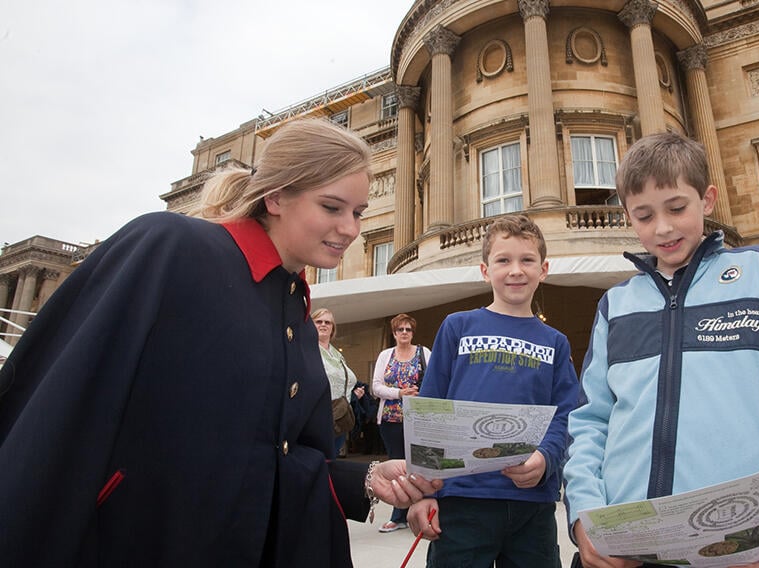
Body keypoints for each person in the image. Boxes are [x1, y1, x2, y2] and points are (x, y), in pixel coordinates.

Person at [0, 118, 441, 567]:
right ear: (276, 197)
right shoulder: (170, 246)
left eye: (359, 212)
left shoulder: (298, 312)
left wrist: (366, 477)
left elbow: (280, 455)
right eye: (332, 207)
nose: (350, 228)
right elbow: (53, 411)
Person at [563, 132, 759, 568]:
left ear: (707, 199)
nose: (663, 227)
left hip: (748, 546)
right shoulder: (616, 305)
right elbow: (589, 423)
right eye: (644, 215)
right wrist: (584, 519)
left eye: (677, 208)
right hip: (629, 550)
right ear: (627, 216)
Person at [406, 214, 580, 567]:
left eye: (527, 260)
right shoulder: (458, 327)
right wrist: (420, 493)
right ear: (485, 270)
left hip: (532, 502)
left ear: (543, 269)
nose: (516, 270)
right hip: (462, 500)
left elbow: (567, 413)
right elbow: (430, 409)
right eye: (503, 260)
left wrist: (546, 457)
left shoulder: (556, 343)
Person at [372, 313, 432, 533]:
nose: (404, 333)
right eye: (400, 330)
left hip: (419, 418)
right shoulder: (385, 355)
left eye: (408, 329)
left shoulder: (424, 353)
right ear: (394, 333)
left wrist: (418, 395)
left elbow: (436, 381)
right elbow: (376, 387)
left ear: (412, 332)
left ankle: (421, 511)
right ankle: (398, 515)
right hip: (391, 419)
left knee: (420, 464)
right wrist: (399, 392)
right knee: (397, 466)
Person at [313, 307, 359, 458]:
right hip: (317, 418)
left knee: (331, 464)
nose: (323, 324)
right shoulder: (307, 349)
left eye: (328, 322)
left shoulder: (337, 355)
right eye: (318, 321)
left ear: (333, 328)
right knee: (319, 463)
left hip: (340, 419)